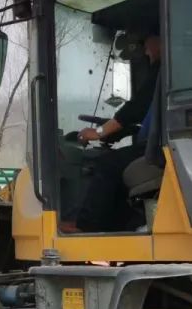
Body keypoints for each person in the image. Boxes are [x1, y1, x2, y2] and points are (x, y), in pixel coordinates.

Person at [65, 34, 161, 233]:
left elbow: (135, 108)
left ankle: (86, 225)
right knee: (116, 166)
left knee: (107, 165)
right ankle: (119, 227)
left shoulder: (163, 70)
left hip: (158, 148)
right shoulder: (171, 72)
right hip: (157, 142)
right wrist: (113, 132)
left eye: (146, 43)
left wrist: (100, 132)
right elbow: (140, 117)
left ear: (160, 39)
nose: (144, 50)